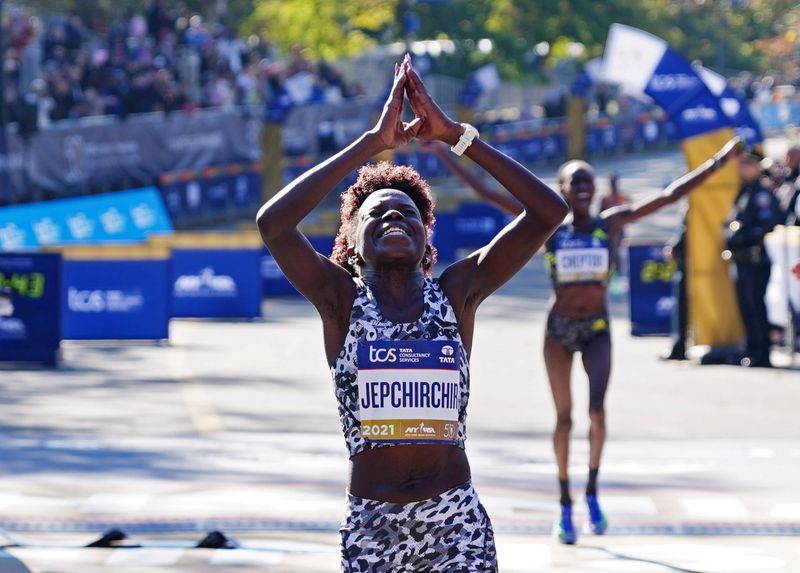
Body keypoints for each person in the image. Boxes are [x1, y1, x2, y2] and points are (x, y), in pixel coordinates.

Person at [255, 55, 568, 571]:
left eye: (408, 212)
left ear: (427, 238)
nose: (394, 216)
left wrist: (456, 137)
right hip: (373, 526)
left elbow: (548, 213)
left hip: (455, 525)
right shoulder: (340, 300)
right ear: (353, 239)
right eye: (377, 213)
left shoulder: (458, 294)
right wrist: (372, 144)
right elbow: (273, 224)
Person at [427, 135, 743, 544]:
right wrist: (449, 153)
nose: (581, 188)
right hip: (558, 330)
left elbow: (669, 196)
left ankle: (591, 493)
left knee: (597, 413)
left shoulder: (608, 224)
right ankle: (564, 503)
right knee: (563, 418)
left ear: (594, 190)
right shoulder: (551, 228)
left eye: (586, 182)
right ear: (561, 190)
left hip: (596, 329)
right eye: (573, 182)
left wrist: (718, 161)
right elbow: (486, 191)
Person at [723, 151, 784, 368]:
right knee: (746, 306)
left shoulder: (762, 193)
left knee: (757, 306)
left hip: (755, 259)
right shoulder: (744, 191)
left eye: (747, 164)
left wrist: (742, 235)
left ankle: (762, 352)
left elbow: (769, 224)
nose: (742, 168)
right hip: (740, 258)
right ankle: (751, 348)